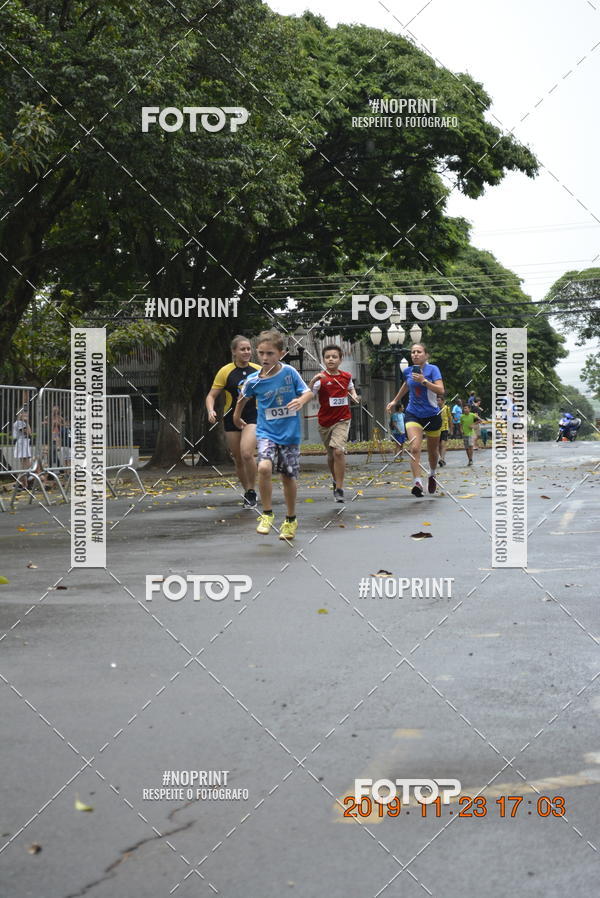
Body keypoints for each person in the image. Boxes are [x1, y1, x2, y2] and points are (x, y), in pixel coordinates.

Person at [233, 330, 313, 540]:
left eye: (270, 353)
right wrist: (236, 417)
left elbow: (308, 392)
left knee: (287, 476)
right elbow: (243, 398)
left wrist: (301, 401)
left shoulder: (289, 373)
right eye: (261, 353)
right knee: (263, 468)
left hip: (289, 434)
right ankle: (267, 514)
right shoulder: (253, 380)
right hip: (266, 432)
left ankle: (291, 519)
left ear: (281, 353)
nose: (265, 358)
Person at [206, 335, 261, 508]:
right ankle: (247, 492)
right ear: (234, 352)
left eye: (248, 349)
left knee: (247, 453)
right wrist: (211, 410)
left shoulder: (258, 370)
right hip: (231, 417)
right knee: (238, 458)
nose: (246, 352)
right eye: (242, 349)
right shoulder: (225, 371)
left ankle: (252, 490)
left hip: (253, 416)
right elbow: (211, 396)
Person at [386, 343, 445, 497]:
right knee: (414, 448)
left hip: (432, 415)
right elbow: (406, 385)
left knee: (433, 451)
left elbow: (441, 390)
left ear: (426, 355)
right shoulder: (408, 371)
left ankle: (432, 474)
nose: (415, 354)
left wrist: (424, 381)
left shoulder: (433, 369)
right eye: (413, 352)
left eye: (419, 352)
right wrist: (395, 401)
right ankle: (417, 483)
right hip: (413, 414)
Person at [308, 345, 359, 503]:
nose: (331, 359)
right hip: (325, 422)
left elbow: (351, 389)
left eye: (334, 357)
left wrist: (354, 396)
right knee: (331, 455)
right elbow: (308, 395)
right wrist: (313, 381)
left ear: (340, 359)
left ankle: (340, 489)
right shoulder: (320, 379)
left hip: (342, 419)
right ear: (323, 360)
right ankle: (335, 480)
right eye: (328, 357)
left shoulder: (346, 376)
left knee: (338, 451)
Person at [12, 411, 32, 487]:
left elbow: (30, 433)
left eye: (26, 413)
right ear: (19, 414)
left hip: (25, 443)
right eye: (23, 413)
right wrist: (26, 422)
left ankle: (23, 484)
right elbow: (28, 433)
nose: (25, 415)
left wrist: (26, 422)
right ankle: (21, 483)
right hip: (22, 443)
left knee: (27, 465)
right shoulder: (19, 423)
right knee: (25, 465)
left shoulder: (23, 423)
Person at [438, 397, 451, 466]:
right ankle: (441, 459)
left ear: (443, 401)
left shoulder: (446, 408)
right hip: (437, 429)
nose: (437, 401)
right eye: (436, 400)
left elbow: (450, 418)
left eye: (439, 400)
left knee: (443, 444)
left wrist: (451, 428)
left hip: (445, 428)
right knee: (439, 445)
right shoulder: (435, 408)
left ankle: (442, 459)